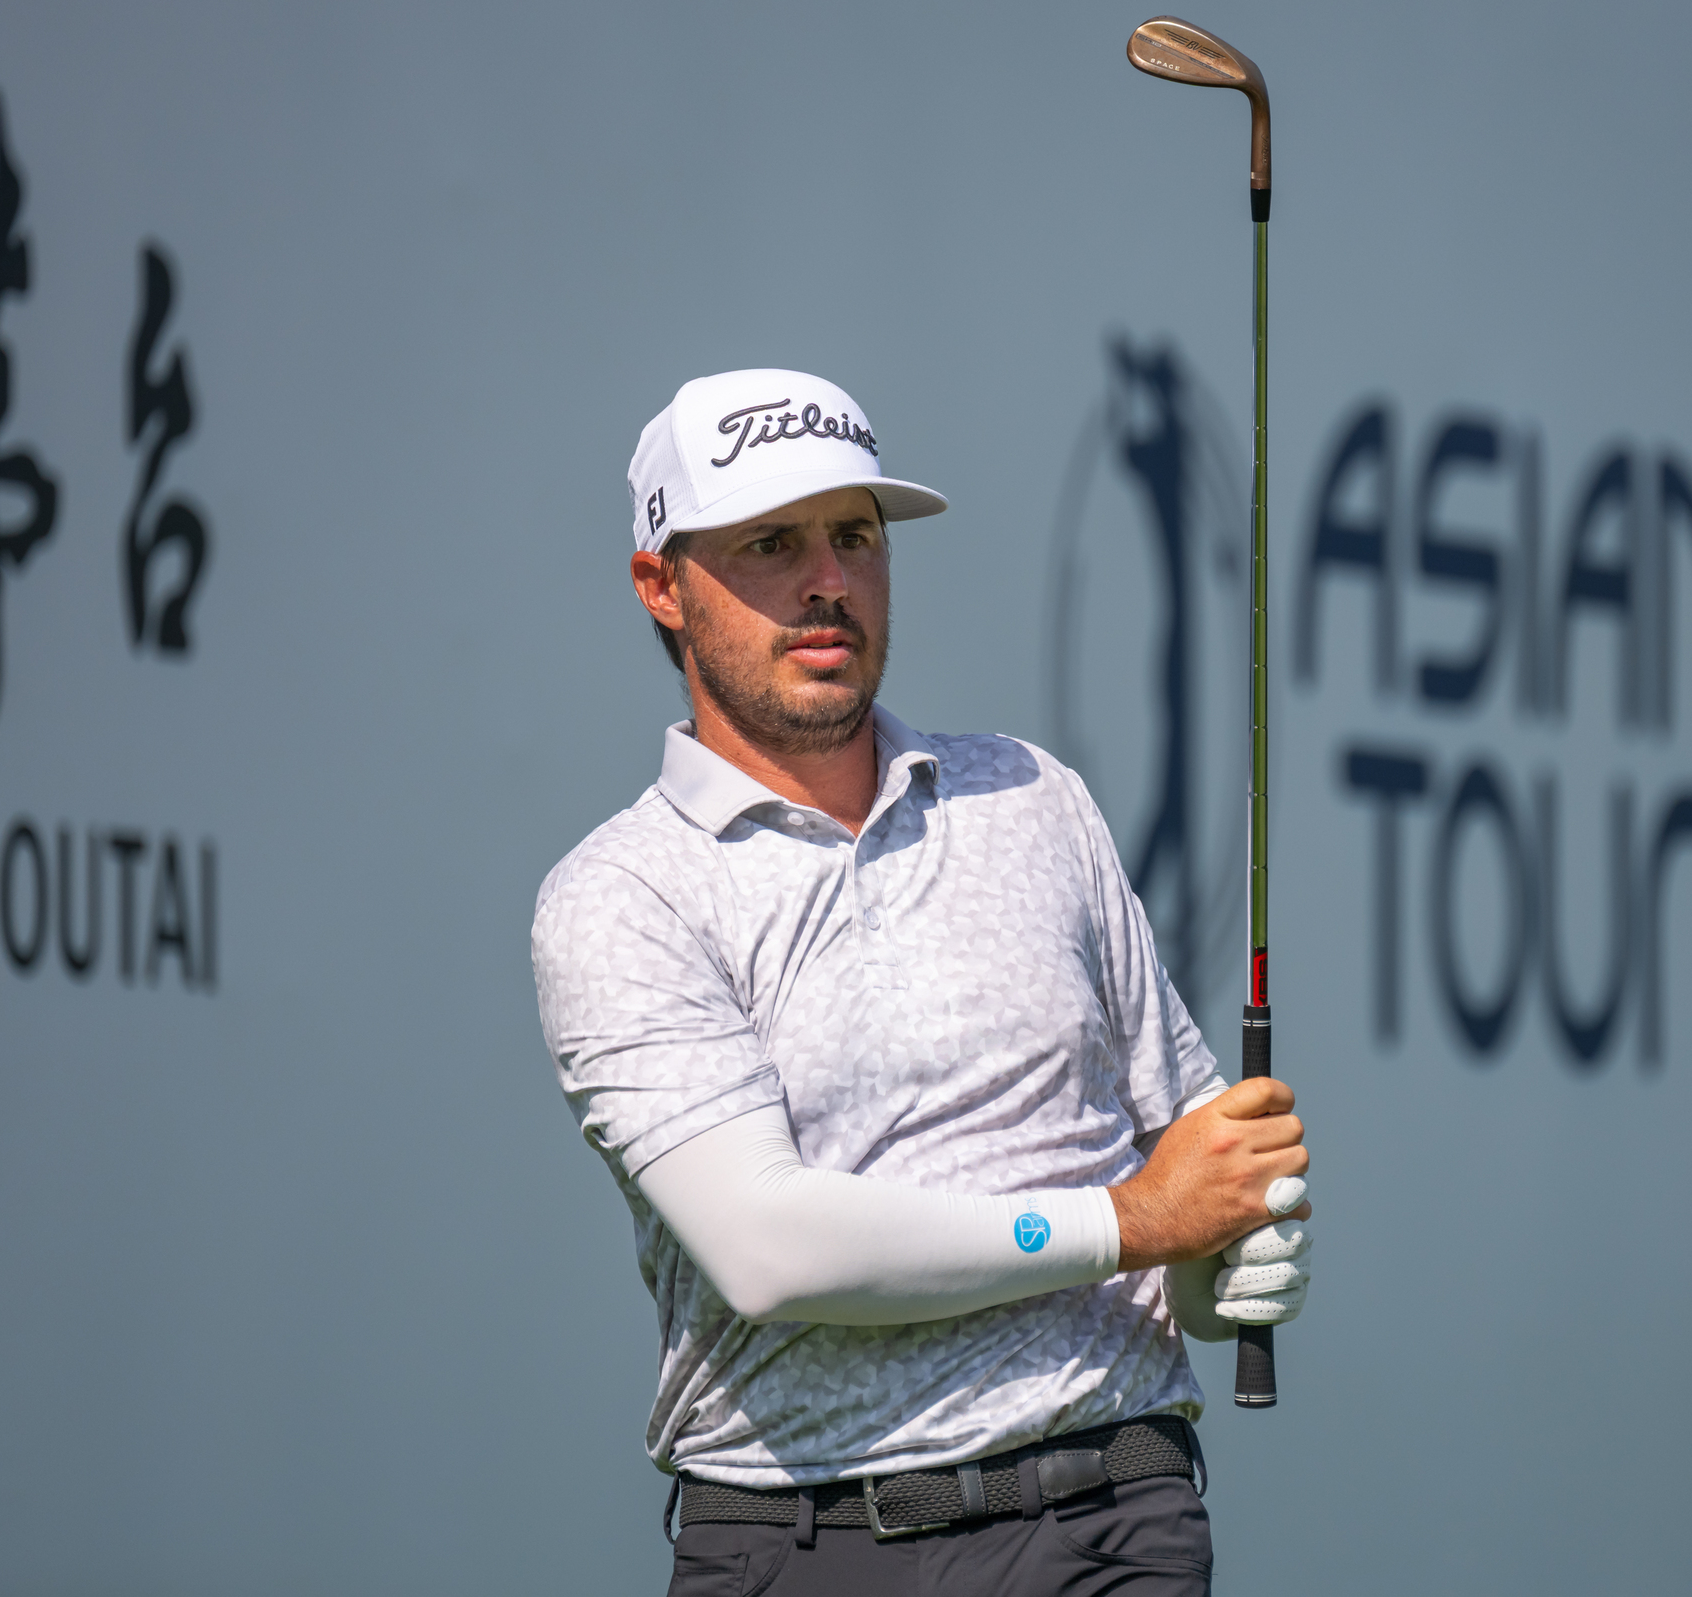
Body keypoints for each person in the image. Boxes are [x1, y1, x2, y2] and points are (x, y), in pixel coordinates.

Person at [531, 368, 1315, 1596]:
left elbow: (1185, 1181)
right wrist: (1133, 1221)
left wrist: (1228, 1263)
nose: (827, 579)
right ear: (660, 584)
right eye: (771, 543)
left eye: (854, 535)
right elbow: (770, 1248)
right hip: (806, 1544)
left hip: (1115, 1515)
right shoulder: (623, 892)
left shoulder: (1034, 796)